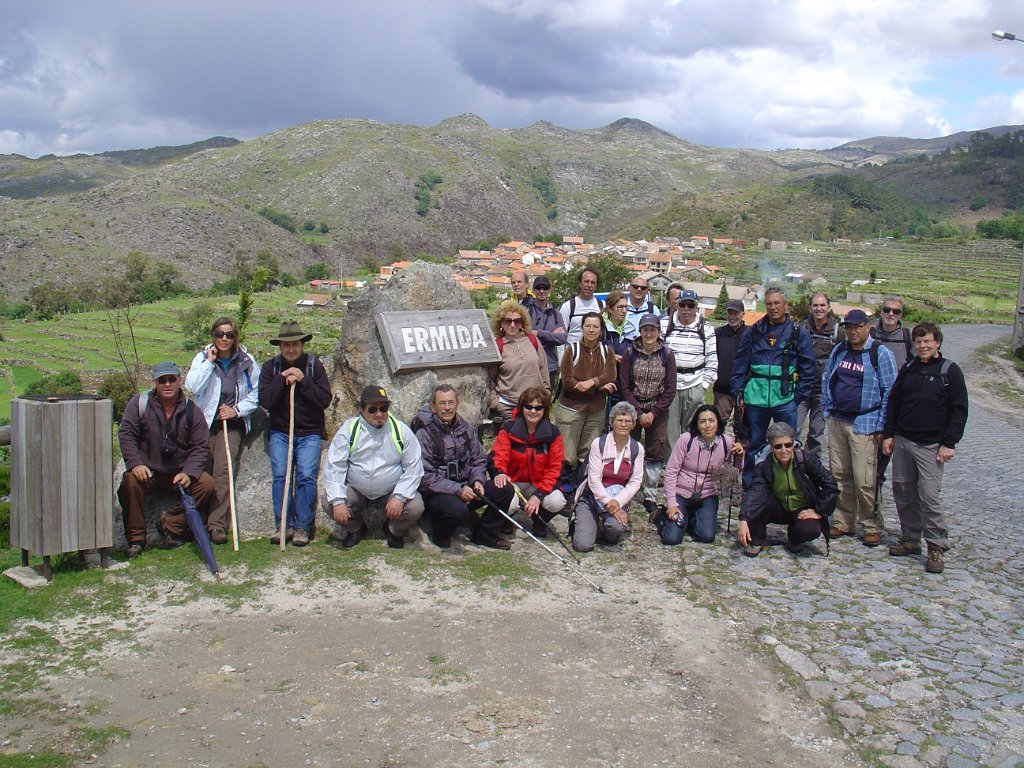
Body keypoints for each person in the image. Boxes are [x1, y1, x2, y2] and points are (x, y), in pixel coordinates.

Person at [882, 322, 968, 574]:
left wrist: (949, 442)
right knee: (903, 491)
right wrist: (889, 434)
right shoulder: (909, 368)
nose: (923, 346)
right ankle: (910, 539)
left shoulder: (949, 371)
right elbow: (894, 402)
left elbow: (959, 409)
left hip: (932, 445)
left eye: (927, 341)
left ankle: (936, 546)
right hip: (904, 440)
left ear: (937, 342)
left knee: (929, 496)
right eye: (918, 342)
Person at [117, 361, 215, 557]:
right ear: (155, 383)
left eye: (172, 379)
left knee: (207, 485)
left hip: (178, 475)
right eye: (162, 380)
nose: (167, 384)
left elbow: (200, 446)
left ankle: (170, 523)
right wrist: (135, 463)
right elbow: (126, 434)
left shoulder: (192, 410)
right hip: (149, 472)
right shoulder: (139, 404)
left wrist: (189, 472)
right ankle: (136, 540)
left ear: (179, 381)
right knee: (129, 483)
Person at [821, 309, 898, 547]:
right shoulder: (840, 350)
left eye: (857, 327)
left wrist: (883, 427)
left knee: (864, 478)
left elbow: (890, 393)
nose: (852, 331)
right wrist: (828, 409)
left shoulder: (880, 354)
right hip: (838, 421)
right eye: (849, 327)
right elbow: (827, 379)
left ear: (867, 327)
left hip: (865, 423)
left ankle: (871, 524)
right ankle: (844, 521)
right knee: (840, 474)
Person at [184, 316, 260, 544]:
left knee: (223, 471)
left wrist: (236, 410)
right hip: (204, 422)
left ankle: (216, 525)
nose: (224, 339)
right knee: (202, 471)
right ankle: (197, 522)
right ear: (213, 336)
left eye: (229, 335)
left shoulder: (246, 360)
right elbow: (192, 386)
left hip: (231, 422)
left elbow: (257, 392)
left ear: (236, 337)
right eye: (219, 334)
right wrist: (209, 362)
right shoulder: (202, 358)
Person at [730, 287, 815, 489]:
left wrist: (797, 397)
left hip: (785, 400)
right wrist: (738, 392)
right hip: (755, 400)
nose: (773, 307)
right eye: (769, 303)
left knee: (786, 446)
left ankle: (786, 487)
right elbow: (740, 364)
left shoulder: (797, 333)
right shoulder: (754, 332)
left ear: (785, 305)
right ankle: (752, 488)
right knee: (753, 446)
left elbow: (809, 368)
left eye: (777, 303)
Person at [258, 321, 333, 547]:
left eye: (295, 344)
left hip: (309, 432)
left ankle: (303, 526)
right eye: (286, 345)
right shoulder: (270, 368)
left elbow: (324, 400)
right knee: (281, 476)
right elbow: (265, 401)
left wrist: (303, 380)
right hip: (281, 431)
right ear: (279, 346)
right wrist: (282, 380)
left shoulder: (314, 366)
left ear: (302, 344)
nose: (291, 349)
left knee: (306, 476)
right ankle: (284, 524)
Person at [415, 384, 515, 550]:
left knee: (504, 489)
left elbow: (478, 459)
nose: (447, 408)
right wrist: (458, 490)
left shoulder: (466, 428)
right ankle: (441, 534)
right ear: (433, 407)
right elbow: (425, 477)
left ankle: (485, 533)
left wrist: (477, 481)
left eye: (451, 402)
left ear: (457, 404)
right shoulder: (424, 434)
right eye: (442, 403)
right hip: (439, 492)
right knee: (457, 509)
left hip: (468, 487)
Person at [323, 385, 424, 549]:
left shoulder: (400, 431)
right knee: (329, 502)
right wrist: (338, 501)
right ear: (362, 409)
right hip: (356, 489)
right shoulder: (349, 430)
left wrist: (399, 497)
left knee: (415, 507)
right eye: (372, 409)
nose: (379, 414)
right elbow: (336, 465)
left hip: (390, 489)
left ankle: (393, 530)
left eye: (383, 408)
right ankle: (355, 528)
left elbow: (414, 468)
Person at [737, 422, 838, 557]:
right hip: (777, 506)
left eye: (788, 445)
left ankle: (795, 539)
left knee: (811, 529)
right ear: (771, 447)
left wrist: (819, 511)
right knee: (756, 505)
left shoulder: (806, 460)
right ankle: (757, 539)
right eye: (778, 446)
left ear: (793, 444)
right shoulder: (764, 466)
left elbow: (830, 485)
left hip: (801, 509)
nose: (784, 450)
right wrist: (744, 519)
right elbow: (756, 492)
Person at [618, 313, 676, 520]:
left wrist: (654, 412)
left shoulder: (667, 354)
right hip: (634, 409)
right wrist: (639, 413)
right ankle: (626, 487)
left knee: (655, 451)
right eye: (645, 329)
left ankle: (650, 494)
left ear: (658, 331)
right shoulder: (629, 352)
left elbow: (670, 388)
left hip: (658, 410)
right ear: (640, 331)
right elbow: (624, 386)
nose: (649, 333)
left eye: (653, 329)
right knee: (629, 448)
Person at [660, 405, 743, 545]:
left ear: (718, 423)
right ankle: (664, 515)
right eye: (702, 421)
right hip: (682, 492)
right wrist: (672, 503)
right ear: (697, 425)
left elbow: (732, 471)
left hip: (708, 494)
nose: (707, 425)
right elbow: (671, 471)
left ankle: (691, 518)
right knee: (671, 538)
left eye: (711, 420)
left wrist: (740, 456)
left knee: (706, 536)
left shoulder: (726, 442)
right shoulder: (686, 440)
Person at [490, 387, 567, 537]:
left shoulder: (553, 434)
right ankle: (508, 520)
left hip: (538, 483)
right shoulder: (509, 429)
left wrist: (539, 495)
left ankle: (539, 520)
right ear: (521, 408)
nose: (533, 411)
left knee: (557, 501)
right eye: (529, 407)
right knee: (508, 503)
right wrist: (499, 472)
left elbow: (555, 468)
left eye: (538, 407)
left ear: (545, 410)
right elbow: (499, 455)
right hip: (513, 482)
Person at [571, 402, 644, 552]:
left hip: (617, 498)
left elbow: (635, 482)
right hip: (592, 497)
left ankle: (605, 529)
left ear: (633, 425)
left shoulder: (637, 449)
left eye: (627, 421)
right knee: (582, 546)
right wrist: (608, 501)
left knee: (614, 528)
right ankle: (586, 522)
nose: (623, 424)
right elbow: (593, 479)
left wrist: (617, 502)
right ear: (611, 422)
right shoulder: (599, 444)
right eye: (619, 420)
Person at [556, 312, 618, 469]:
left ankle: (583, 486)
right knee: (567, 454)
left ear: (601, 330)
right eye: (587, 326)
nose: (591, 330)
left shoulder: (607, 352)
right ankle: (566, 487)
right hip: (571, 409)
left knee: (589, 454)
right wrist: (600, 387)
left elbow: (610, 375)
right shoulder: (572, 350)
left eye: (595, 326)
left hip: (596, 410)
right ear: (582, 328)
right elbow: (568, 382)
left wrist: (592, 382)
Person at [660, 288, 718, 451]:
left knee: (693, 428)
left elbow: (712, 359)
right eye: (683, 305)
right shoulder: (665, 324)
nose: (686, 309)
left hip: (695, 383)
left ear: (696, 307)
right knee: (670, 430)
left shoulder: (706, 328)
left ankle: (690, 463)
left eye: (690, 305)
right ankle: (670, 467)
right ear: (677, 305)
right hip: (671, 384)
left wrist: (704, 386)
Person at [870, 295, 913, 511]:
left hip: (896, 410)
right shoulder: (869, 334)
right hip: (869, 407)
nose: (890, 314)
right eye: (887, 310)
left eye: (895, 311)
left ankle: (874, 506)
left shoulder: (907, 338)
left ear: (901, 315)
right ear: (881, 311)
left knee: (882, 462)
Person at [796, 293, 845, 459]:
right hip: (801, 389)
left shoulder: (839, 333)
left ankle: (812, 469)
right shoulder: (800, 329)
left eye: (822, 305)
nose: (819, 309)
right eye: (815, 305)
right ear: (810, 308)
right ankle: (791, 467)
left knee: (816, 433)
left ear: (829, 308)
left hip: (823, 392)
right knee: (793, 429)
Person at [488, 299, 549, 420]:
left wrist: (546, 394)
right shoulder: (497, 346)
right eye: (507, 321)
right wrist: (496, 403)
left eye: (517, 321)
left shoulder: (532, 341)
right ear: (501, 323)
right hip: (509, 408)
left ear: (522, 323)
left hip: (535, 406)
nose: (512, 325)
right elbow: (489, 380)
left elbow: (544, 369)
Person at [525, 275, 567, 390]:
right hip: (530, 365)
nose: (542, 291)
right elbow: (524, 337)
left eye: (545, 288)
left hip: (550, 366)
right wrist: (552, 335)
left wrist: (537, 333)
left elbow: (563, 338)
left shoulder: (555, 314)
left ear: (549, 290)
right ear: (533, 290)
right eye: (539, 288)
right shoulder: (526, 311)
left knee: (546, 402)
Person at [712, 299, 748, 434]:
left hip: (744, 389)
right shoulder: (717, 333)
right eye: (730, 313)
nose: (732, 316)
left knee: (743, 427)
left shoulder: (750, 334)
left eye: (736, 313)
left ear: (743, 314)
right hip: (722, 388)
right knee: (718, 424)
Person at [559, 267, 603, 344]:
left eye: (593, 282)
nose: (589, 285)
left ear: (596, 286)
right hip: (573, 354)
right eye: (586, 281)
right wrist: (562, 356)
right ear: (580, 283)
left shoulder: (602, 306)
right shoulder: (568, 306)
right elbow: (560, 336)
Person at [602, 290, 631, 361]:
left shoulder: (630, 328)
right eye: (620, 307)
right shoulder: (600, 327)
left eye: (626, 307)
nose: (624, 311)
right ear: (610, 309)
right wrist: (610, 357)